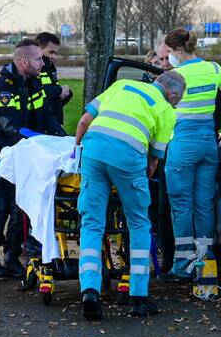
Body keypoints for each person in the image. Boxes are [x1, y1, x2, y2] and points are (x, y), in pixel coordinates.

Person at [74, 71, 186, 320]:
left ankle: (89, 292)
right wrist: (135, 187)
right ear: (173, 94)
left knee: (91, 224)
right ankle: (138, 297)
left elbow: (83, 122)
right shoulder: (166, 110)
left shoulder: (122, 85)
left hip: (93, 151)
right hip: (128, 158)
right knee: (138, 224)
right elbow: (152, 162)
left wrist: (77, 152)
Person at [0, 40, 66, 280]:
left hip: (28, 154)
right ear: (22, 61)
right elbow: (12, 128)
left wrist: (62, 139)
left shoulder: (34, 84)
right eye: (38, 59)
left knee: (23, 208)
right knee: (1, 206)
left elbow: (46, 117)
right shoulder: (1, 90)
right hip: (3, 156)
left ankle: (11, 258)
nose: (43, 63)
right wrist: (41, 140)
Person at [156, 28, 221, 281]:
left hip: (183, 145)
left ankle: (182, 265)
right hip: (208, 144)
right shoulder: (213, 68)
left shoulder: (174, 76)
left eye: (169, 52)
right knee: (204, 205)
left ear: (177, 51)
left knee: (181, 205)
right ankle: (206, 260)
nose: (168, 57)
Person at [35, 32, 73, 126]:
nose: (53, 57)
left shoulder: (50, 67)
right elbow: (42, 91)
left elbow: (52, 92)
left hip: (52, 120)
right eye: (51, 52)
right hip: (41, 124)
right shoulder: (35, 69)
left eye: (55, 53)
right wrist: (60, 90)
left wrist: (66, 93)